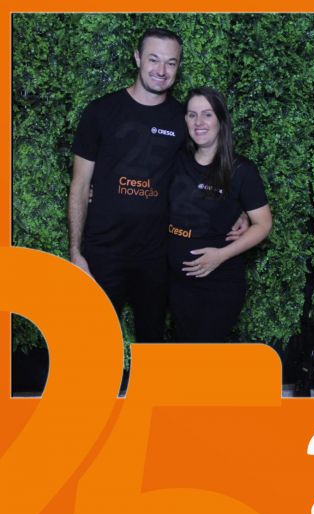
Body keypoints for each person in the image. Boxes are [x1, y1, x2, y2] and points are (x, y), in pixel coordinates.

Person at [68, 28, 247, 342]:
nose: (161, 70)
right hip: (102, 253)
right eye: (153, 59)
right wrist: (75, 251)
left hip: (156, 256)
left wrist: (241, 210)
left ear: (178, 67)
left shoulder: (183, 120)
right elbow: (80, 185)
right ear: (138, 58)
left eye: (171, 62)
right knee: (94, 341)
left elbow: (210, 167)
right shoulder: (100, 112)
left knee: (151, 341)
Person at [168, 87, 273, 342]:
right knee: (182, 353)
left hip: (219, 285)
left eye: (207, 114)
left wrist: (220, 256)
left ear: (221, 120)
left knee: (206, 356)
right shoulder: (175, 160)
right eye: (192, 115)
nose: (199, 122)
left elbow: (263, 224)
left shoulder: (241, 170)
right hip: (177, 284)